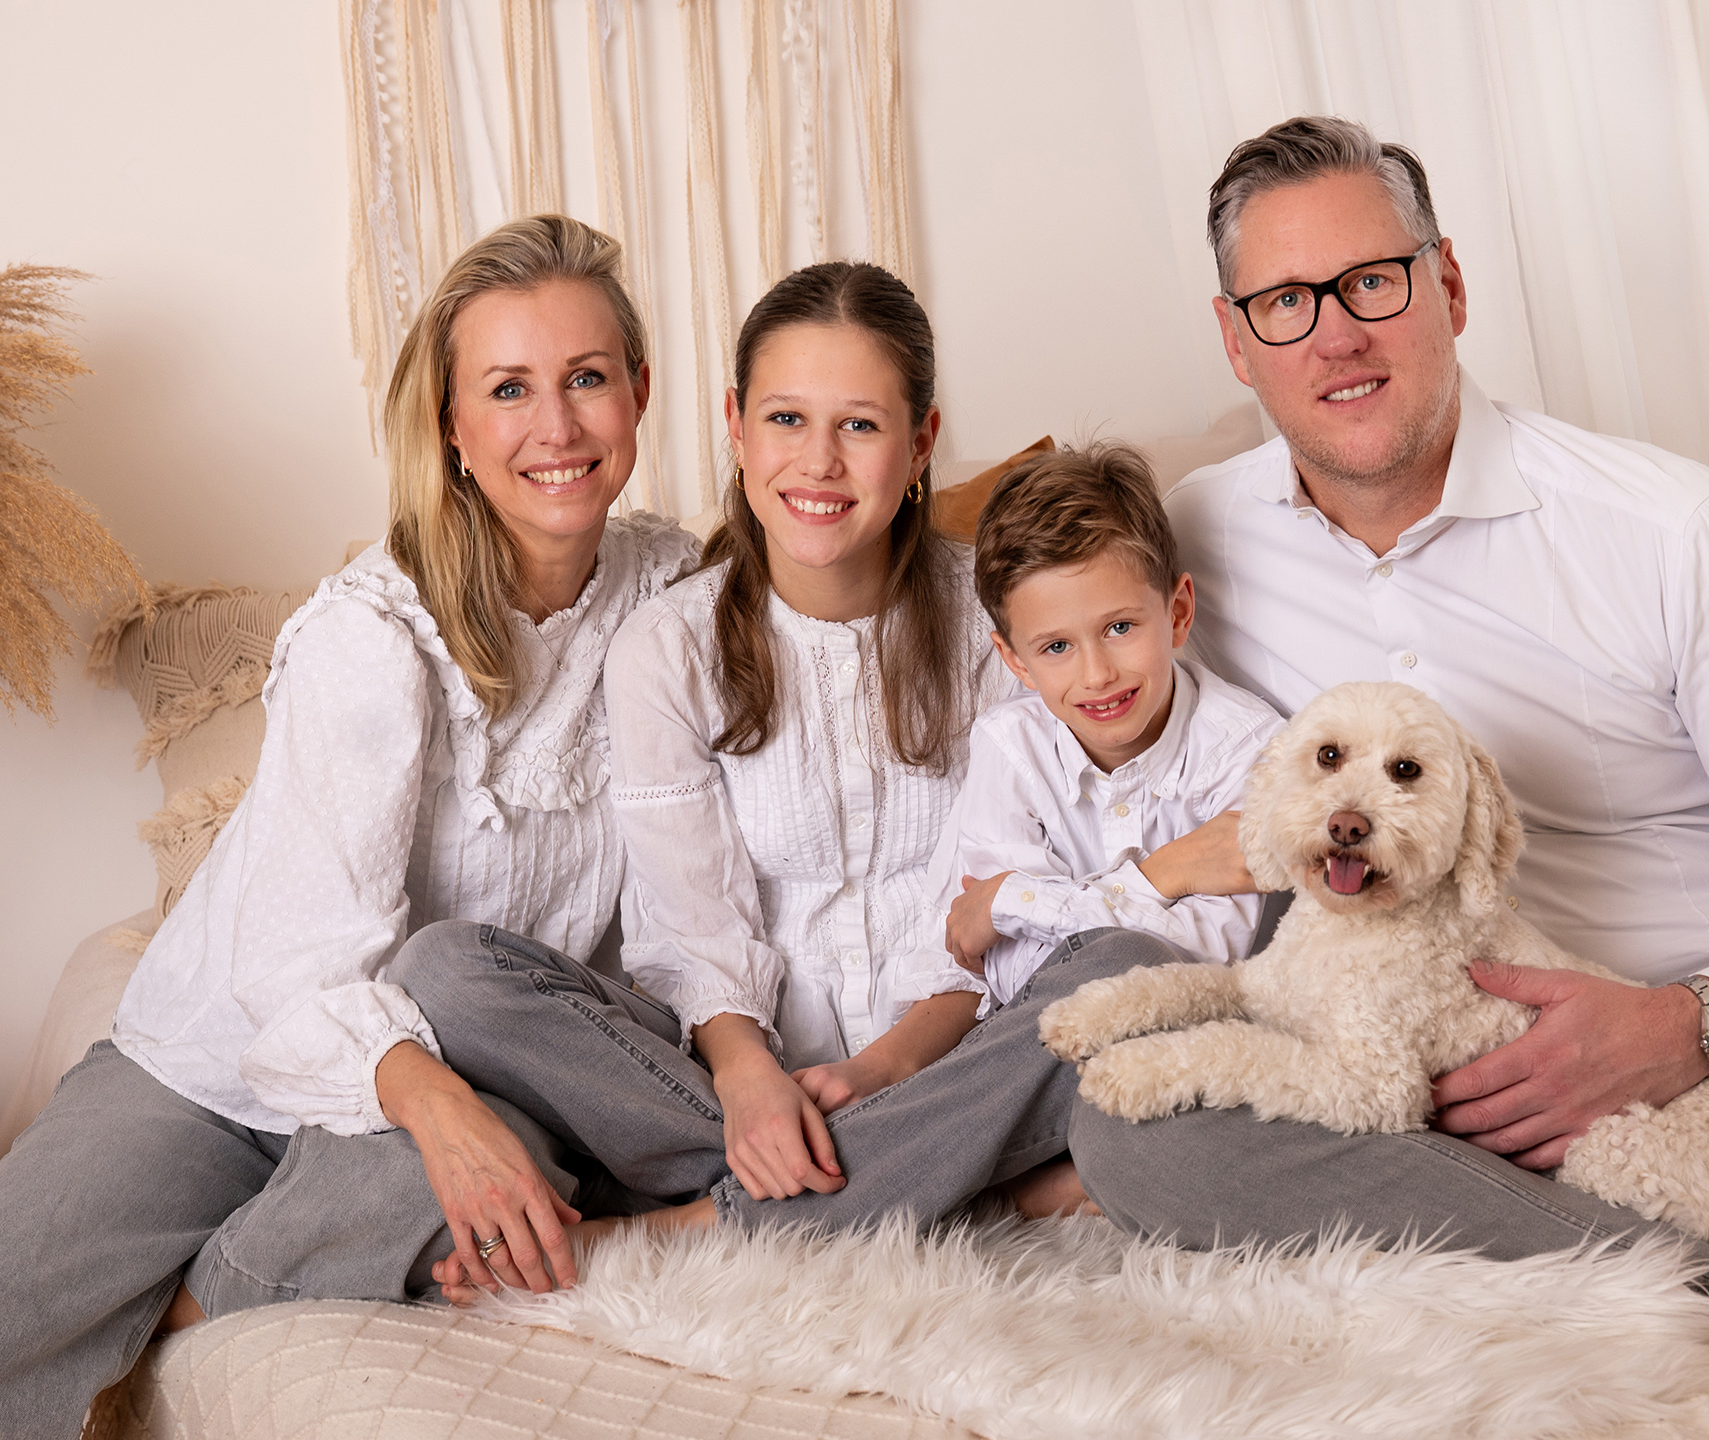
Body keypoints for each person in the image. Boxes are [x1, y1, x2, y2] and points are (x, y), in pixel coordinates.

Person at [1066, 115, 1709, 1423]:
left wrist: (1695, 1024)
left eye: (1372, 281)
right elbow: (1015, 651)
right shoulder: (1190, 549)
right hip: (1426, 1071)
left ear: (1448, 285)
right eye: (1286, 302)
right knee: (1129, 1130)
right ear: (1236, 341)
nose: (1336, 335)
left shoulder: (1672, 531)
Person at [0, 214, 696, 1439]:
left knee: (486, 1182)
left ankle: (188, 1312)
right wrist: (441, 1116)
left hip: (472, 1062)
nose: (556, 427)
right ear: (451, 428)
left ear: (640, 392)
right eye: (508, 389)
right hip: (220, 1061)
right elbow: (295, 966)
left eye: (585, 378)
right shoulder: (375, 637)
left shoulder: (675, 600)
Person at [400, 266, 1210, 1297]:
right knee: (446, 970)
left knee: (1125, 970)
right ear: (736, 426)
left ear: (921, 443)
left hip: (955, 1059)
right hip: (722, 1086)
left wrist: (885, 1072)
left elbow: (995, 910)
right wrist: (749, 1079)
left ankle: (711, 1221)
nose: (819, 462)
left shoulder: (999, 627)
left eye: (860, 426)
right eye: (786, 418)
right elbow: (690, 929)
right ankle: (960, 1186)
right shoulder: (667, 645)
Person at [805, 440, 1282, 1115]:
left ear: (1177, 613)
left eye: (1120, 627)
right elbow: (1001, 967)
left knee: (1115, 975)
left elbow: (1201, 961)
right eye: (1056, 646)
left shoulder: (1250, 751)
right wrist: (1163, 877)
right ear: (1016, 661)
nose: (1097, 674)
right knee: (1070, 996)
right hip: (1040, 1048)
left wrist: (1012, 901)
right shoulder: (1013, 746)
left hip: (1189, 1052)